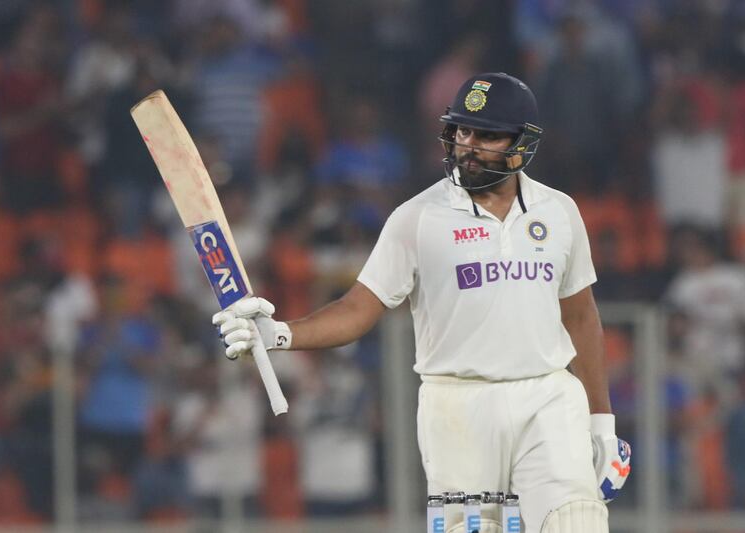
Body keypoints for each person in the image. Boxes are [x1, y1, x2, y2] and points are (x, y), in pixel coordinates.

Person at [213, 72, 630, 532]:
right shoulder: (417, 218)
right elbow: (357, 309)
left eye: (486, 135)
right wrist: (281, 333)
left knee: (577, 521)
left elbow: (581, 316)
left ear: (520, 144)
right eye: (462, 131)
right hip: (457, 406)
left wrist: (601, 423)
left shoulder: (559, 211)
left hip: (548, 397)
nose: (468, 145)